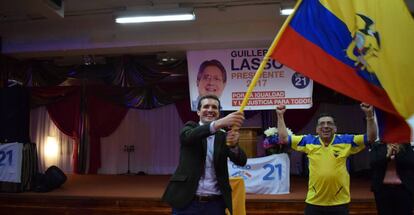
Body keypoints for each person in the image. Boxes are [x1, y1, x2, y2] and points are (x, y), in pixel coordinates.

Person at [275, 103, 377, 215]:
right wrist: (280, 115)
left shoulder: (346, 140)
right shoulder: (308, 141)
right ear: (317, 129)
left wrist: (369, 115)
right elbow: (284, 138)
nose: (326, 126)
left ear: (335, 128)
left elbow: (371, 137)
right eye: (322, 124)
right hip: (314, 201)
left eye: (329, 123)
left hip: (340, 202)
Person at [163, 94, 247, 215]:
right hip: (187, 202)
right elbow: (188, 138)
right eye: (206, 106)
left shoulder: (223, 136)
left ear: (218, 112)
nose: (210, 110)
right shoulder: (190, 128)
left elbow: (241, 161)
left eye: (214, 107)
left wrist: (234, 146)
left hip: (215, 204)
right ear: (198, 111)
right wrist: (219, 123)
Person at [369, 141, 414, 215]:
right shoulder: (378, 145)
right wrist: (387, 156)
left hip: (403, 189)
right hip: (382, 189)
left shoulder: (405, 145)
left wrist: (398, 154)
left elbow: (411, 163)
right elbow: (373, 163)